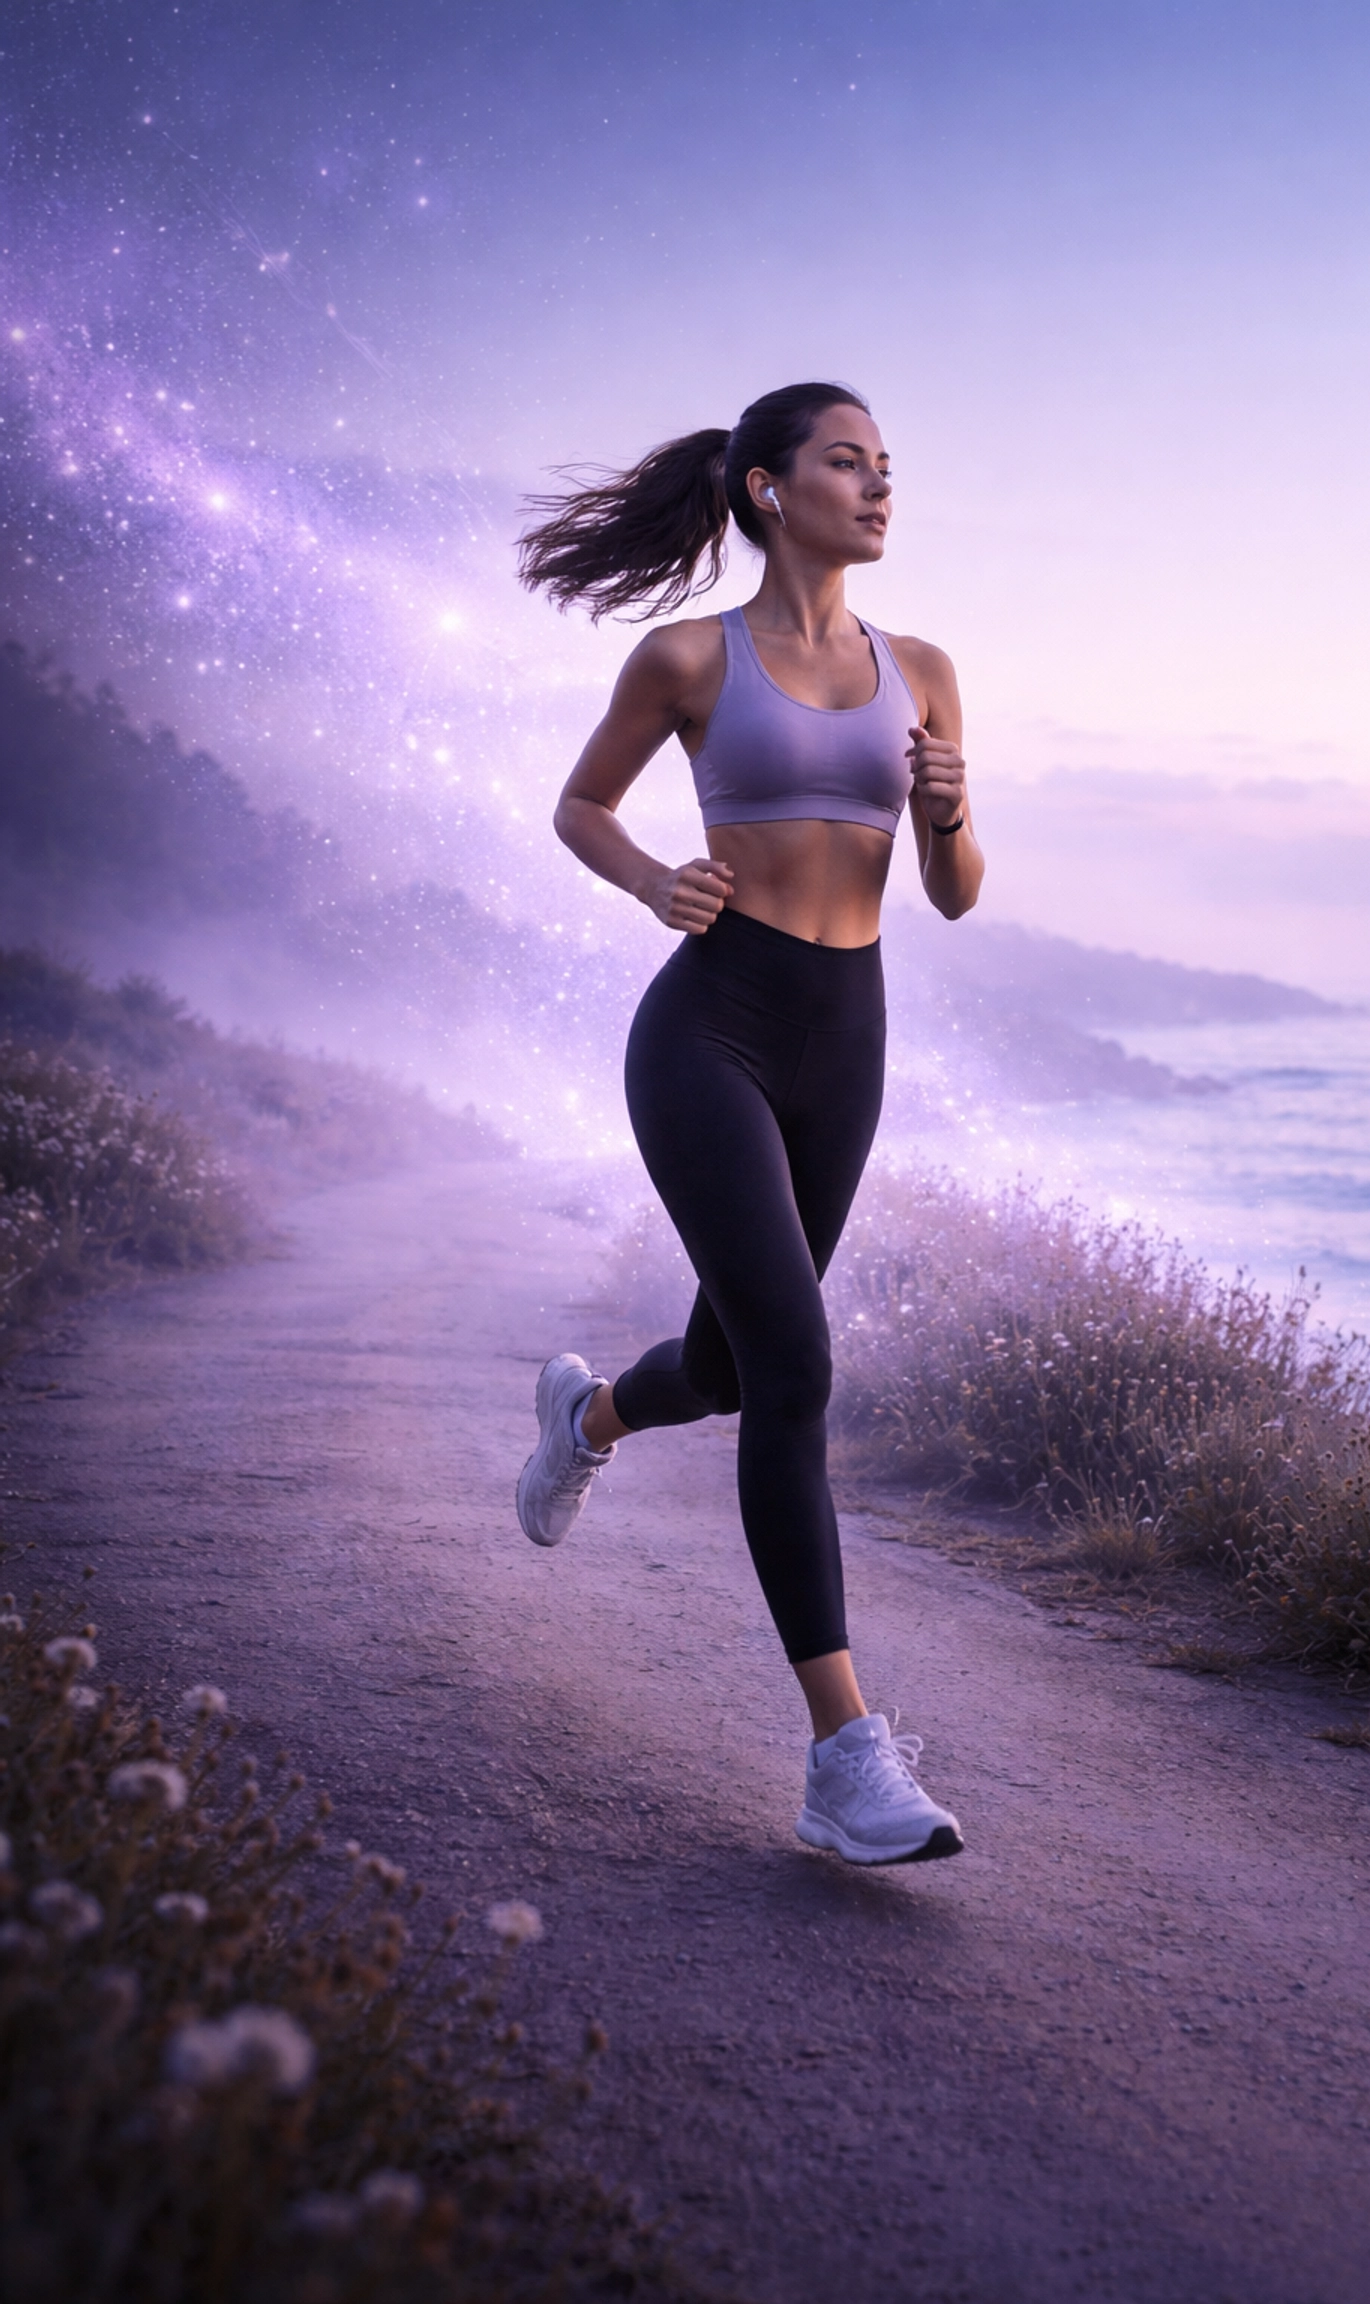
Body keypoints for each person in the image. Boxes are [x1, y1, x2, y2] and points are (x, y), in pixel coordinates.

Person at [515, 381, 983, 1863]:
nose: (880, 485)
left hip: (847, 1040)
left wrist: (951, 810)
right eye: (849, 462)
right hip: (709, 1028)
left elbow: (956, 892)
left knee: (729, 1369)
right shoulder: (689, 658)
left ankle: (586, 1415)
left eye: (888, 465)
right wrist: (655, 881)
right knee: (796, 1365)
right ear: (772, 489)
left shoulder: (923, 668)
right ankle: (844, 1756)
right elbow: (581, 807)